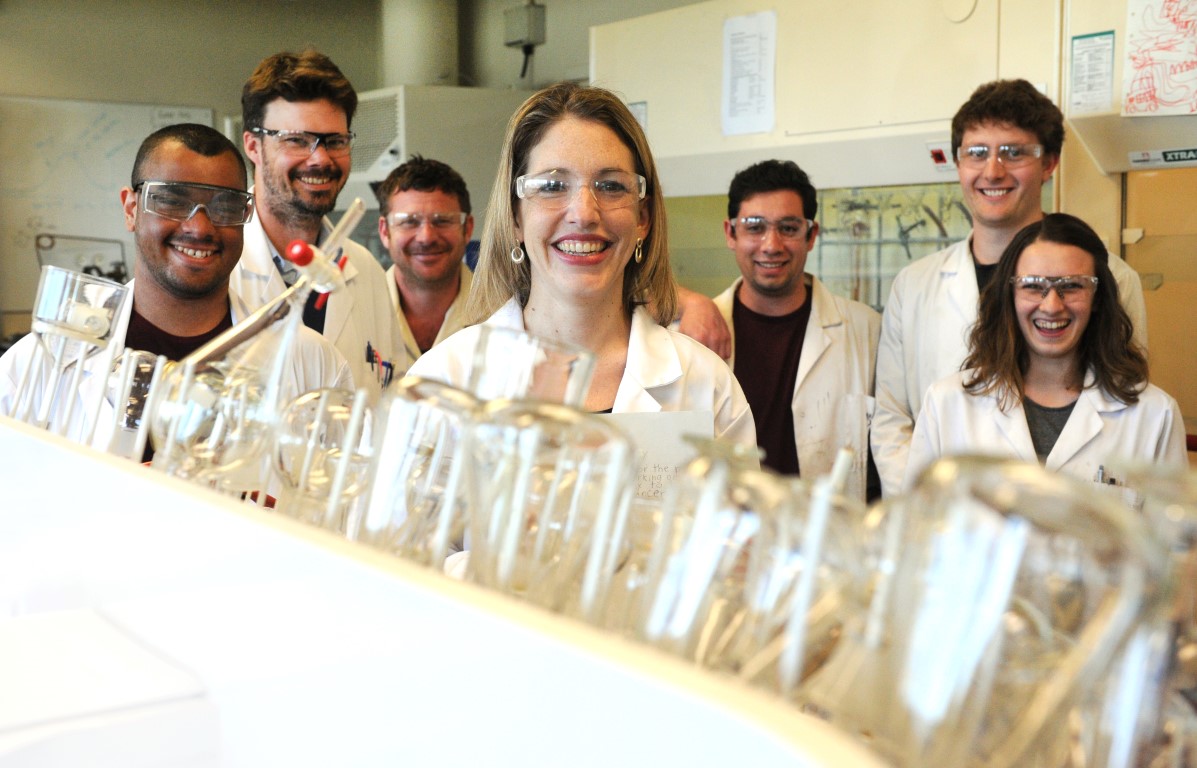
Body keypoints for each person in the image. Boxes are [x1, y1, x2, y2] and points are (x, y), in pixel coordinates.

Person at [409, 82, 755, 448]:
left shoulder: (705, 384)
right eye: (552, 186)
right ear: (515, 218)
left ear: (643, 218)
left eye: (611, 186)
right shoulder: (443, 382)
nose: (584, 214)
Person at [871, 78, 1149, 497]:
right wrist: (923, 514)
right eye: (977, 153)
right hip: (951, 528)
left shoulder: (1112, 278)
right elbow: (893, 419)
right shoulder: (914, 286)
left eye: (1014, 152)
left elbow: (1129, 406)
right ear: (958, 163)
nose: (993, 171)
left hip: (1074, 521)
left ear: (1050, 162)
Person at [0, 123, 352, 447]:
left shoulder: (312, 363)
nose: (200, 227)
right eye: (171, 200)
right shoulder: (39, 362)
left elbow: (342, 501)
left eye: (225, 205)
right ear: (131, 208)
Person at [903, 213, 1184, 491]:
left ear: (1097, 297)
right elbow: (914, 527)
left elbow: (1174, 533)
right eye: (1034, 286)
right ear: (1009, 295)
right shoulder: (947, 405)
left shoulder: (1154, 415)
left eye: (1072, 286)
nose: (1051, 306)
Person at [232, 49, 400, 398]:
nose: (321, 158)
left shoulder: (366, 271)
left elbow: (389, 400)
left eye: (335, 141)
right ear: (253, 145)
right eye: (297, 140)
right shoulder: (220, 267)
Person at [713, 159, 880, 499]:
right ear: (731, 234)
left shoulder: (866, 330)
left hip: (827, 536)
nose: (771, 245)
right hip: (732, 534)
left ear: (811, 235)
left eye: (788, 228)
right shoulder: (694, 334)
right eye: (754, 227)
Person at [375, 155, 474, 376]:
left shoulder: (502, 315)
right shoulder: (358, 312)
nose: (426, 237)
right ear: (384, 231)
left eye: (442, 220)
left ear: (467, 228)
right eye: (409, 222)